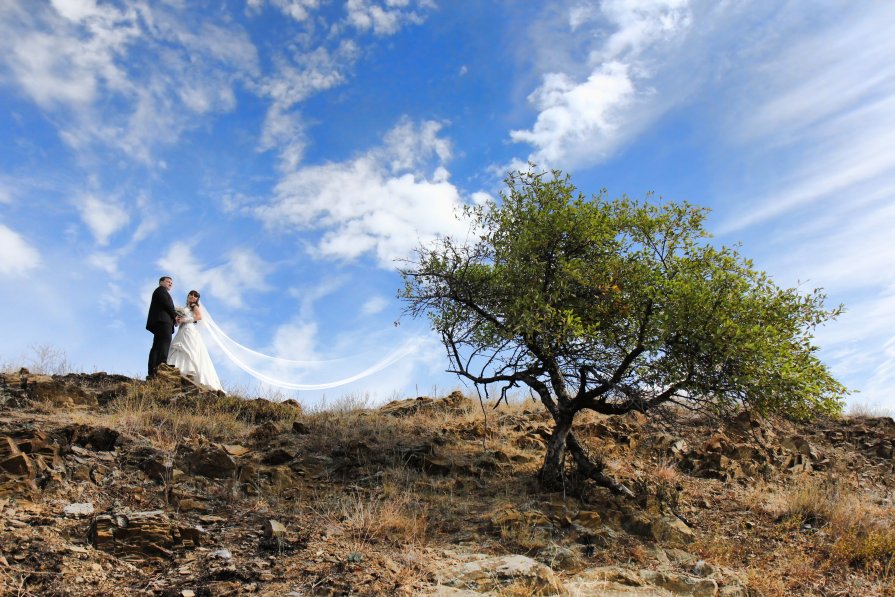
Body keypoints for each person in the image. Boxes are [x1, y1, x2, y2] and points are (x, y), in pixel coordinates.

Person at [166, 290, 223, 391]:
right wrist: (178, 320)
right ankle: (177, 370)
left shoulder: (193, 306)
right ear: (187, 296)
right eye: (191, 295)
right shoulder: (185, 308)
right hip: (182, 329)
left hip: (189, 329)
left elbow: (199, 317)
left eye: (195, 296)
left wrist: (184, 320)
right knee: (179, 348)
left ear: (197, 299)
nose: (192, 297)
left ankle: (188, 372)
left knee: (188, 349)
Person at [146, 276, 180, 379]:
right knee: (164, 342)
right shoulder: (161, 291)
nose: (170, 283)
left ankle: (153, 369)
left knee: (157, 345)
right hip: (163, 321)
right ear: (161, 282)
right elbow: (167, 305)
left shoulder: (161, 291)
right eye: (168, 281)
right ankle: (162, 363)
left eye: (171, 283)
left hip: (161, 321)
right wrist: (175, 316)